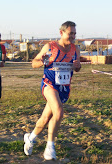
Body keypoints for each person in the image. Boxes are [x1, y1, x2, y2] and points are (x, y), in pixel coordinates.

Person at [24, 21, 81, 160]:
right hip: (49, 84)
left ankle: (30, 138)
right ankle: (50, 147)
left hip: (64, 87)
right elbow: (34, 63)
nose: (73, 36)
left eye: (74, 33)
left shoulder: (75, 49)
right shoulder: (50, 47)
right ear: (61, 33)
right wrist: (42, 62)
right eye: (70, 33)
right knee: (59, 111)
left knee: (45, 119)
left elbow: (77, 68)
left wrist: (77, 66)